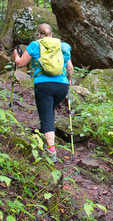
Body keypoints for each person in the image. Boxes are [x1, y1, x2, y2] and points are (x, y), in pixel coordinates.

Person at [11, 23, 73, 161]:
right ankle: (45, 133)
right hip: (62, 85)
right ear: (51, 34)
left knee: (46, 116)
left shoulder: (34, 45)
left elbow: (20, 63)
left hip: (44, 85)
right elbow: (70, 68)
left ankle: (51, 152)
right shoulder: (63, 46)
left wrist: (16, 55)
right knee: (49, 111)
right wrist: (69, 81)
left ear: (39, 35)